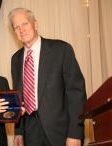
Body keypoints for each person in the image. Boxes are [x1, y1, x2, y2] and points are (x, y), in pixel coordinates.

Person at [9, 8, 87, 146]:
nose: (21, 30)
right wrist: (19, 131)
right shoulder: (15, 59)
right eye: (16, 27)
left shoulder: (61, 49)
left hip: (61, 132)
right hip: (30, 132)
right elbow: (18, 97)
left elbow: (76, 93)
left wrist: (75, 133)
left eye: (25, 24)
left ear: (35, 24)